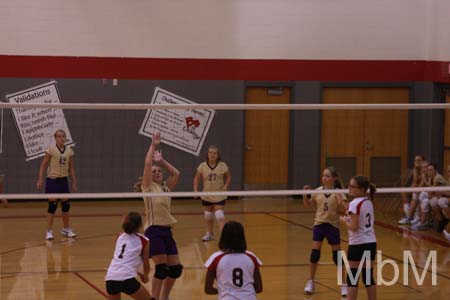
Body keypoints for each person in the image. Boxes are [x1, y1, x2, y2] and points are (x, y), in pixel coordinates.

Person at [140, 131, 182, 300]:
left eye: (159, 171)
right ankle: (155, 298)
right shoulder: (148, 187)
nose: (157, 172)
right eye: (154, 171)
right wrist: (153, 145)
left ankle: (165, 297)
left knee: (176, 269)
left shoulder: (166, 188)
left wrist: (162, 161)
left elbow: (176, 174)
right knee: (162, 268)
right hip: (154, 230)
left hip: (167, 231)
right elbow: (148, 164)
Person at [303, 166, 347, 296]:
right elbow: (308, 205)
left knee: (337, 257)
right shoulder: (318, 191)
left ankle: (344, 284)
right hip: (319, 225)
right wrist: (305, 195)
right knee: (315, 254)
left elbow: (344, 210)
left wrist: (340, 202)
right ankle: (310, 282)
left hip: (332, 226)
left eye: (327, 176)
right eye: (323, 176)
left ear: (334, 178)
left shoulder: (339, 192)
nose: (324, 178)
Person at [204, 221, 263, 300]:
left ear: (223, 237)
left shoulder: (216, 258)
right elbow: (259, 288)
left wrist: (224, 291)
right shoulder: (251, 257)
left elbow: (208, 289)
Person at [340, 175, 377, 300]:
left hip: (357, 244)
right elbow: (357, 215)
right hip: (370, 243)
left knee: (353, 277)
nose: (349, 188)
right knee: (368, 277)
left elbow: (354, 227)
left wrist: (344, 221)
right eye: (349, 185)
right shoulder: (368, 202)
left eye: (352, 187)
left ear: (361, 189)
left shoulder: (354, 204)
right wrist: (345, 207)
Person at [37, 129, 77, 240]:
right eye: (59, 136)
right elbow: (43, 165)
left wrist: (74, 181)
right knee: (52, 206)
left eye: (63, 136)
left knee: (66, 205)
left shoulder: (69, 151)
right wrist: (40, 179)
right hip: (52, 180)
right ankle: (49, 231)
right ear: (55, 138)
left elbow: (71, 168)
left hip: (63, 180)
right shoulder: (51, 150)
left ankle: (66, 229)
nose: (61, 138)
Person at [105, 212, 152, 300]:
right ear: (140, 225)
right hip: (126, 278)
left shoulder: (119, 236)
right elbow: (146, 264)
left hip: (110, 278)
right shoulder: (144, 240)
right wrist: (145, 276)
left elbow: (126, 257)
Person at [194, 145, 231, 242]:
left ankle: (225, 236)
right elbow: (196, 178)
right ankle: (210, 234)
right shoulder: (202, 166)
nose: (212, 155)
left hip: (219, 194)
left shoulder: (222, 165)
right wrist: (195, 191)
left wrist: (226, 186)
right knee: (208, 215)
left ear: (218, 155)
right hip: (207, 194)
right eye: (210, 153)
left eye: (215, 153)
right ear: (207, 154)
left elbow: (228, 177)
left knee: (219, 214)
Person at [398, 155, 424, 225]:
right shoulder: (415, 169)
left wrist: (415, 186)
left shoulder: (424, 169)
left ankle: (409, 216)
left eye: (419, 160)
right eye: (415, 160)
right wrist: (415, 169)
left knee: (415, 193)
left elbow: (422, 184)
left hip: (424, 189)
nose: (417, 162)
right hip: (417, 188)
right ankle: (409, 214)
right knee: (403, 191)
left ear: (423, 161)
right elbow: (415, 181)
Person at [427, 163, 450, 232]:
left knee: (441, 201)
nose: (429, 172)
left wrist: (441, 193)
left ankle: (448, 220)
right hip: (445, 195)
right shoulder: (430, 178)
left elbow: (431, 193)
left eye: (431, 170)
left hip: (446, 196)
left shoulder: (438, 177)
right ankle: (441, 220)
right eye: (448, 171)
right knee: (433, 202)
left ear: (436, 170)